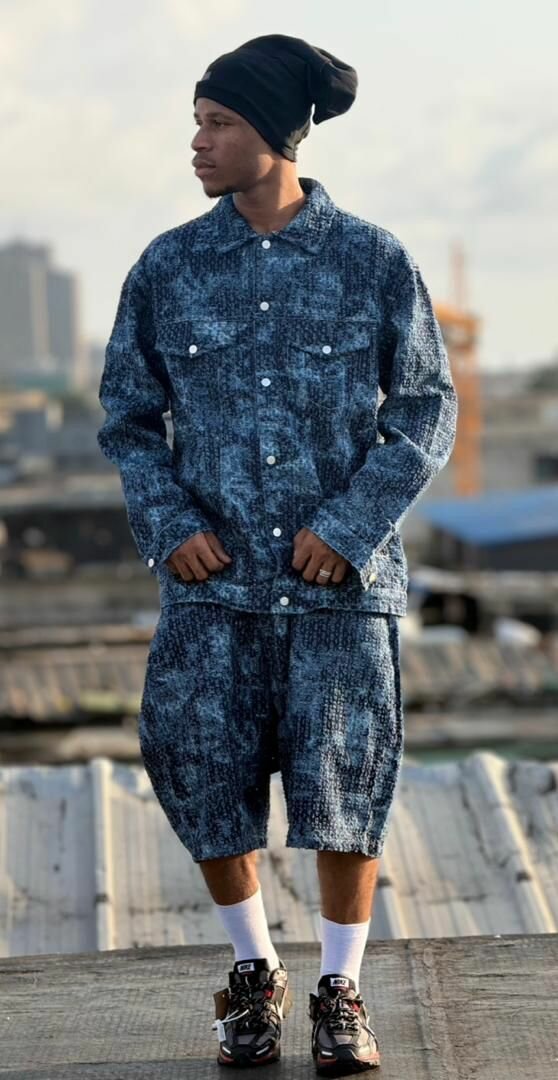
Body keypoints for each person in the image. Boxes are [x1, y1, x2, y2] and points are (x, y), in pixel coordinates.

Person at [97, 33, 458, 1076]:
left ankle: (341, 991)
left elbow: (426, 409)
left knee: (346, 789)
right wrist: (170, 526)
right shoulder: (167, 267)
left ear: (275, 134)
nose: (198, 144)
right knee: (198, 773)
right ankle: (254, 973)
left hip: (338, 592)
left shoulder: (374, 261)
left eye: (219, 124)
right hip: (212, 591)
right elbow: (128, 419)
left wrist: (347, 530)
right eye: (197, 124)